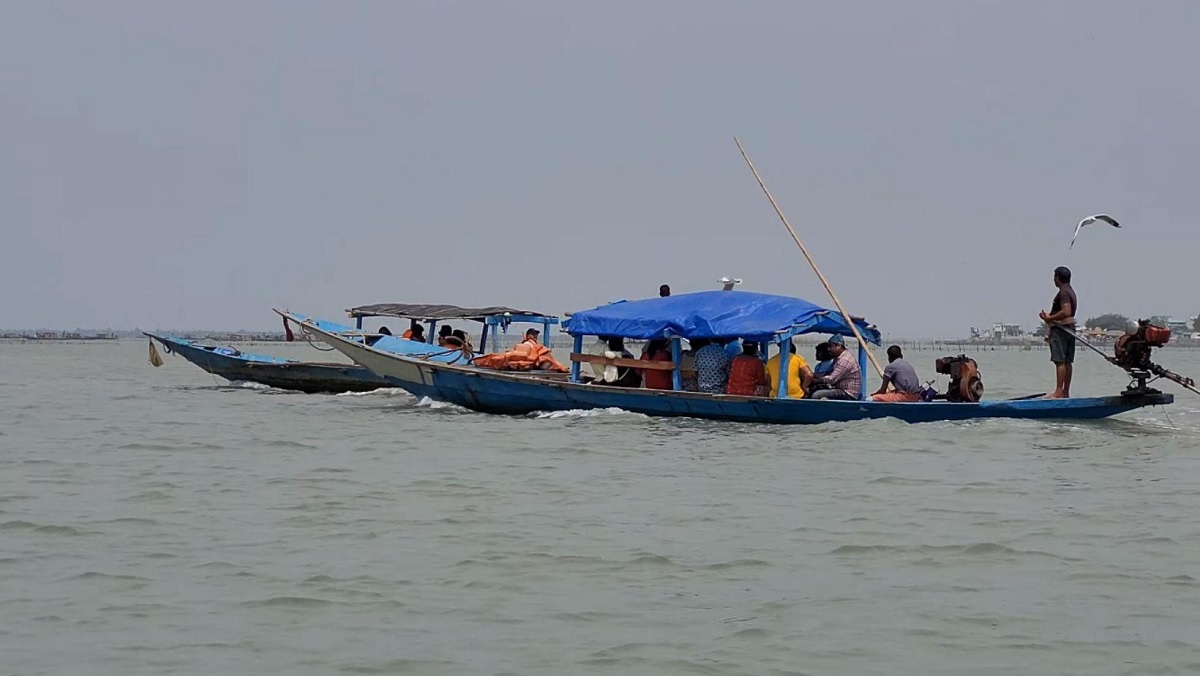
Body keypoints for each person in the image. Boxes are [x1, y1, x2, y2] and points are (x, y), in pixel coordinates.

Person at [1040, 266, 1078, 398]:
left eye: (1054, 277)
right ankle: (1065, 391)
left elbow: (1066, 311)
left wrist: (1050, 318)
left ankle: (1059, 391)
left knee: (1060, 361)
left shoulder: (1064, 292)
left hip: (1062, 330)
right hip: (1069, 329)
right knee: (1067, 361)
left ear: (1057, 278)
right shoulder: (1070, 291)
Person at [472, 328, 568, 372]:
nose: (535, 336)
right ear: (528, 336)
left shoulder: (533, 346)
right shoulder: (528, 344)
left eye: (536, 335)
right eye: (533, 335)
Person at [809, 335, 862, 400]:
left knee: (816, 395)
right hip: (840, 389)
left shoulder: (844, 360)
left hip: (848, 393)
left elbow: (832, 379)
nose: (828, 349)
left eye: (831, 346)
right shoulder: (837, 358)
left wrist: (817, 380)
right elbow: (828, 373)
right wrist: (813, 375)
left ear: (838, 346)